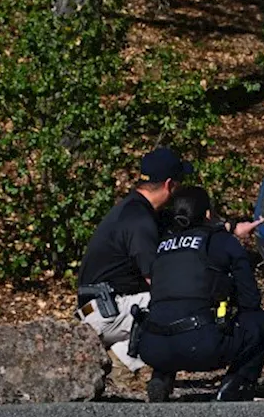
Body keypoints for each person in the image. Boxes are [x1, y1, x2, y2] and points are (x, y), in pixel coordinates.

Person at [137, 186, 264, 403]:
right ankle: (236, 385)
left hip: (151, 346)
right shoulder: (221, 241)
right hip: (201, 344)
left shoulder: (163, 246)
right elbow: (250, 301)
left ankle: (161, 377)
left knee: (171, 313)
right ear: (207, 214)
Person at [76, 147, 194, 376]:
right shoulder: (140, 220)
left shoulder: (134, 209)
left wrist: (229, 228)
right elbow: (157, 282)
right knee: (178, 302)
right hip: (103, 311)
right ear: (170, 185)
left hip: (99, 307)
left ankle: (122, 357)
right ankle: (124, 362)